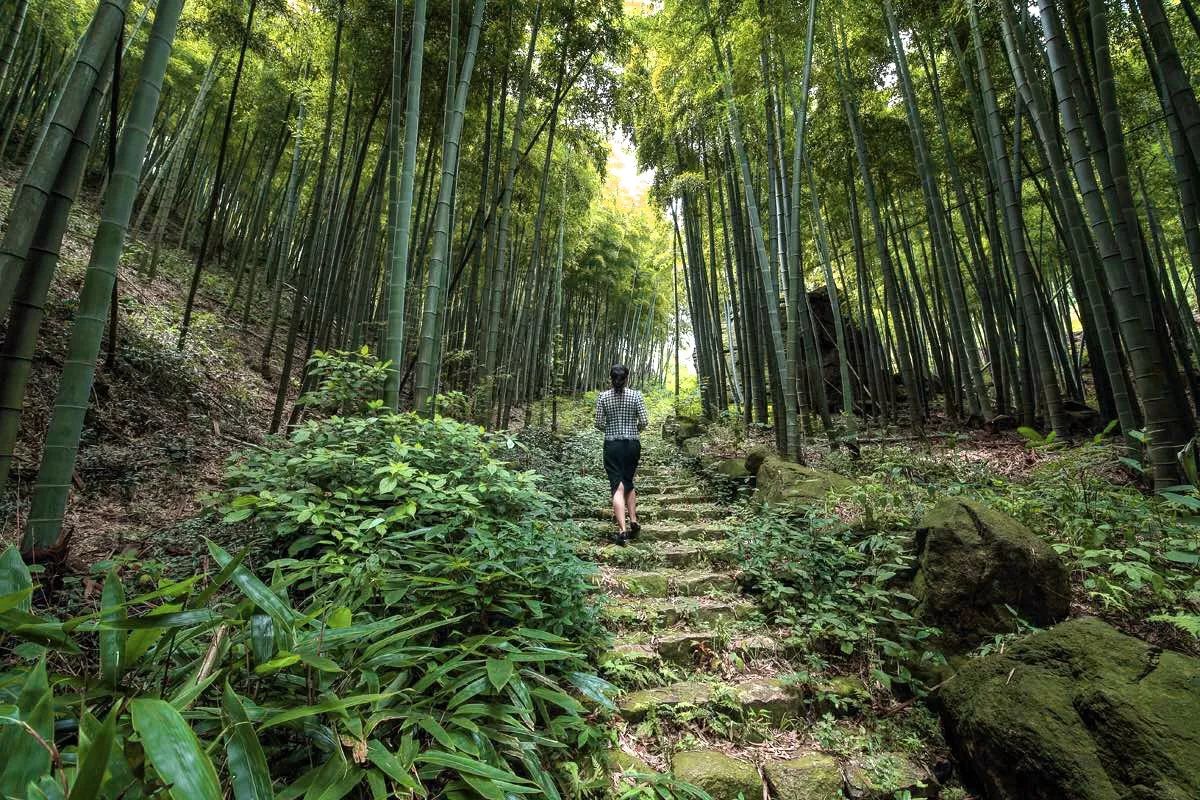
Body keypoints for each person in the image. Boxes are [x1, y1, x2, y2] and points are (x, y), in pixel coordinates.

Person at [594, 364, 649, 544]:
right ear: (627, 378)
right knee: (628, 482)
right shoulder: (636, 395)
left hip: (612, 445)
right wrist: (634, 430)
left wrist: (610, 429)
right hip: (632, 444)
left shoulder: (603, 397)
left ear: (611, 378)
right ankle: (633, 519)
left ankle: (622, 530)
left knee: (617, 486)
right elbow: (644, 421)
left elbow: (598, 423)